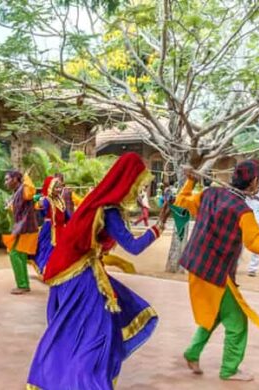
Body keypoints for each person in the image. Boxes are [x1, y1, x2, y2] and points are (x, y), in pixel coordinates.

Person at [27, 153, 167, 390]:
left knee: (76, 329)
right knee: (95, 333)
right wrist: (159, 227)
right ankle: (84, 383)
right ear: (127, 181)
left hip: (76, 272)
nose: (139, 189)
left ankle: (52, 378)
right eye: (138, 184)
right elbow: (133, 247)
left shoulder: (99, 203)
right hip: (82, 276)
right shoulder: (109, 211)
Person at [176, 161, 259, 381]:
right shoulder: (243, 211)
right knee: (238, 322)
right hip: (215, 273)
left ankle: (192, 353)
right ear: (255, 181)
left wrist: (191, 180)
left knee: (217, 314)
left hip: (197, 266)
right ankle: (229, 369)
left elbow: (181, 201)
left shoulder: (209, 194)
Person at [2, 171, 38, 294]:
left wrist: (26, 177)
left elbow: (31, 192)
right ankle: (24, 284)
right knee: (19, 254)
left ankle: (22, 285)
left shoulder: (23, 188)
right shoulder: (17, 191)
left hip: (25, 227)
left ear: (15, 179)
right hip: (23, 226)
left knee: (14, 253)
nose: (5, 182)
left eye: (7, 179)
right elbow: (21, 207)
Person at [30, 176, 69, 277]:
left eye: (60, 187)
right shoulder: (46, 201)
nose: (59, 190)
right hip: (49, 230)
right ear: (51, 188)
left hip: (61, 230)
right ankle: (45, 271)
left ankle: (57, 270)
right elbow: (42, 213)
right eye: (56, 188)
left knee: (60, 251)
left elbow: (67, 216)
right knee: (47, 250)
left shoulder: (61, 200)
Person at [245, 197, 259, 277]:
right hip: (245, 223)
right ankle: (233, 266)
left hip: (258, 224)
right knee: (239, 246)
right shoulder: (243, 197)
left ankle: (252, 269)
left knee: (257, 247)